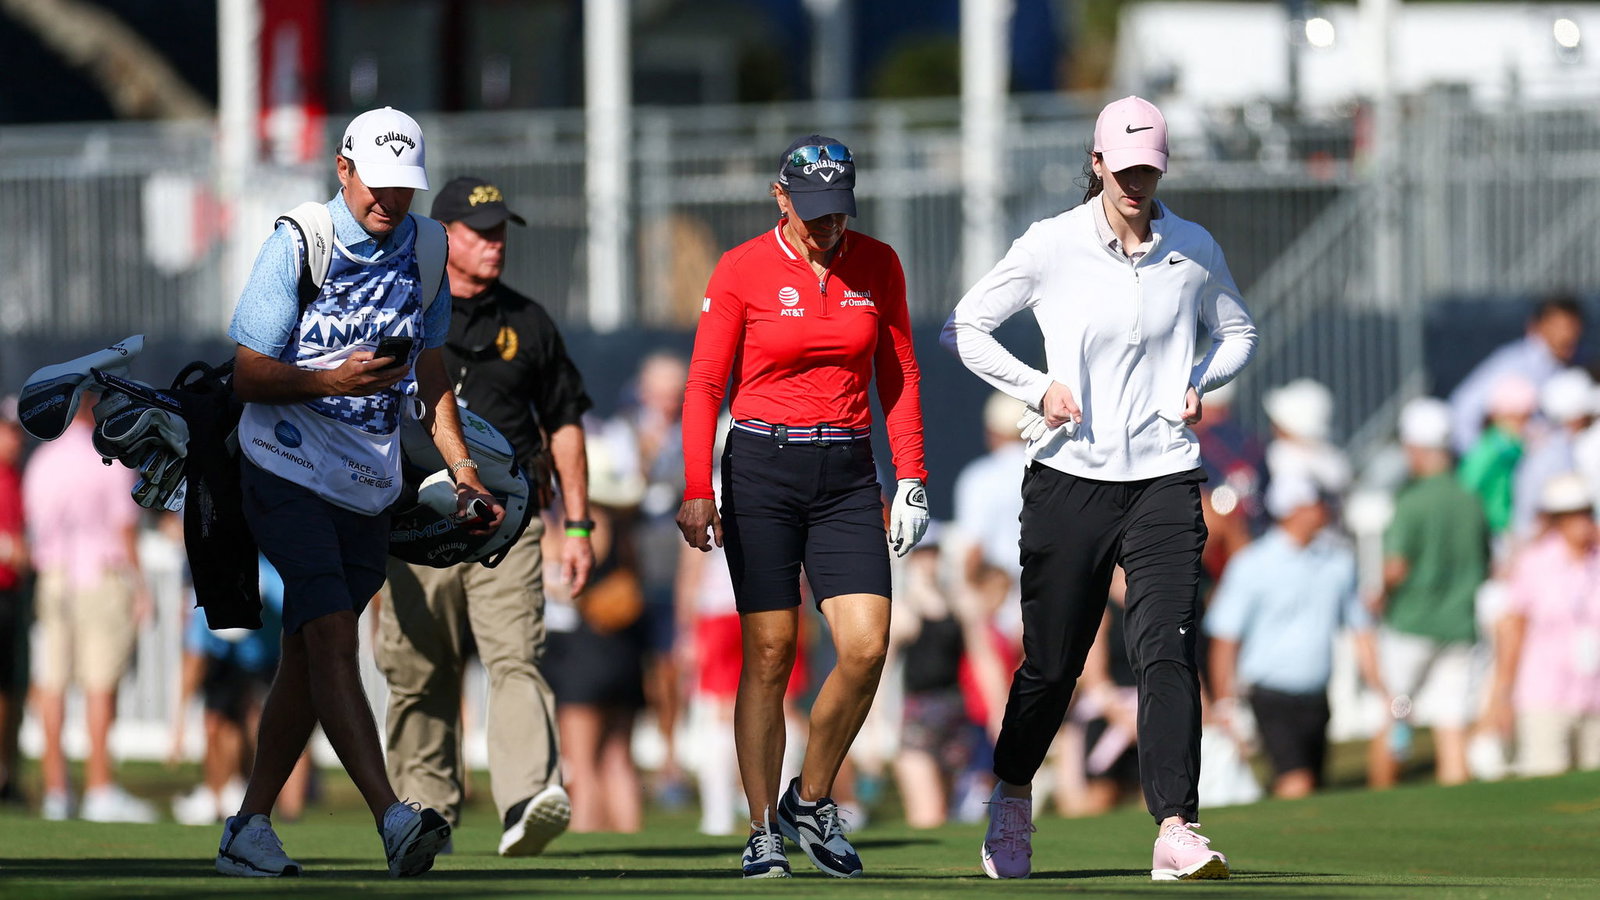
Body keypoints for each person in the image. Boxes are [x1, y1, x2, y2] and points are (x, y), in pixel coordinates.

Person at [942, 95, 1256, 881]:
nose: (1135, 181)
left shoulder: (1191, 248)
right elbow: (966, 326)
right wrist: (1035, 387)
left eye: (1148, 167)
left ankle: (1176, 827)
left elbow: (1239, 332)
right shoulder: (1051, 245)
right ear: (1096, 164)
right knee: (1053, 662)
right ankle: (1012, 798)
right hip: (1069, 478)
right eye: (1122, 168)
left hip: (1163, 477)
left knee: (1167, 649)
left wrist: (1198, 378)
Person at [218, 107, 502, 878]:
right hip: (281, 465)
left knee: (311, 658)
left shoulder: (433, 248)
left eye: (403, 186)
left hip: (369, 482)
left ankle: (247, 826)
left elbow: (433, 376)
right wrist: (329, 380)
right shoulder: (299, 241)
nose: (389, 200)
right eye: (375, 183)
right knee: (332, 632)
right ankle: (393, 817)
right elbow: (246, 371)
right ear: (343, 169)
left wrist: (464, 470)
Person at [676, 133, 929, 879]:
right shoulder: (741, 268)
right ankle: (761, 828)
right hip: (760, 465)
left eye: (839, 213)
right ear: (780, 199)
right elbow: (702, 385)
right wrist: (697, 487)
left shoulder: (877, 263)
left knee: (866, 645)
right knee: (770, 653)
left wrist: (910, 475)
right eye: (813, 213)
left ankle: (811, 800)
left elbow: (902, 372)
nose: (828, 228)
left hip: (848, 469)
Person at [377, 175, 592, 858]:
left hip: (510, 524)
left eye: (501, 231)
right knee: (416, 673)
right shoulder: (396, 307)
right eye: (481, 232)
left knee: (516, 659)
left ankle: (529, 798)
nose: (496, 244)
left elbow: (564, 425)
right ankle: (424, 814)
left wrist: (579, 526)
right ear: (443, 238)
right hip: (412, 524)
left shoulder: (529, 322)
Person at [22, 395, 156, 823]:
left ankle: (56, 790)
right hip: (100, 575)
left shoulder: (43, 459)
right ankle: (99, 787)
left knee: (53, 684)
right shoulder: (108, 457)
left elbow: (34, 527)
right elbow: (125, 527)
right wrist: (141, 588)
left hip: (55, 576)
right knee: (100, 686)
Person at [1205, 476, 1371, 798]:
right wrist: (1225, 704)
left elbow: (1361, 628)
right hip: (1270, 695)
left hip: (1317, 695)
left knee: (1311, 784)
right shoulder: (1252, 564)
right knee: (1297, 782)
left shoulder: (1337, 561)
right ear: (1293, 510)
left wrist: (1382, 688)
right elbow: (1226, 639)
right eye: (1314, 503)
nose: (1322, 509)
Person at [1363, 397, 1488, 790]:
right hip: (1459, 625)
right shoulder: (1471, 500)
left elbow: (1395, 566)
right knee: (1452, 724)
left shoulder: (1412, 501)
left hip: (1412, 624)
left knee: (1396, 714)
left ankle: (1378, 805)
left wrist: (1376, 594)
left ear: (1416, 448)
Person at [1489, 472, 1600, 775]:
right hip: (1546, 694)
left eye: (1585, 512)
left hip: (1595, 693)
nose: (1580, 521)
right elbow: (1514, 629)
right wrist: (1502, 694)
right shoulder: (1534, 563)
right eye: (1570, 515)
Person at [1449, 296, 1584, 456]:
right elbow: (1463, 410)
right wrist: (1483, 462)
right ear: (1536, 326)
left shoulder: (1570, 367)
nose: (1567, 334)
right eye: (1560, 326)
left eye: (1573, 327)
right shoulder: (1512, 363)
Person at [0, 399, 30, 807]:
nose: (13, 440)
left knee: (10, 688)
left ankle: (6, 775)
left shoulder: (16, 479)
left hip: (12, 594)